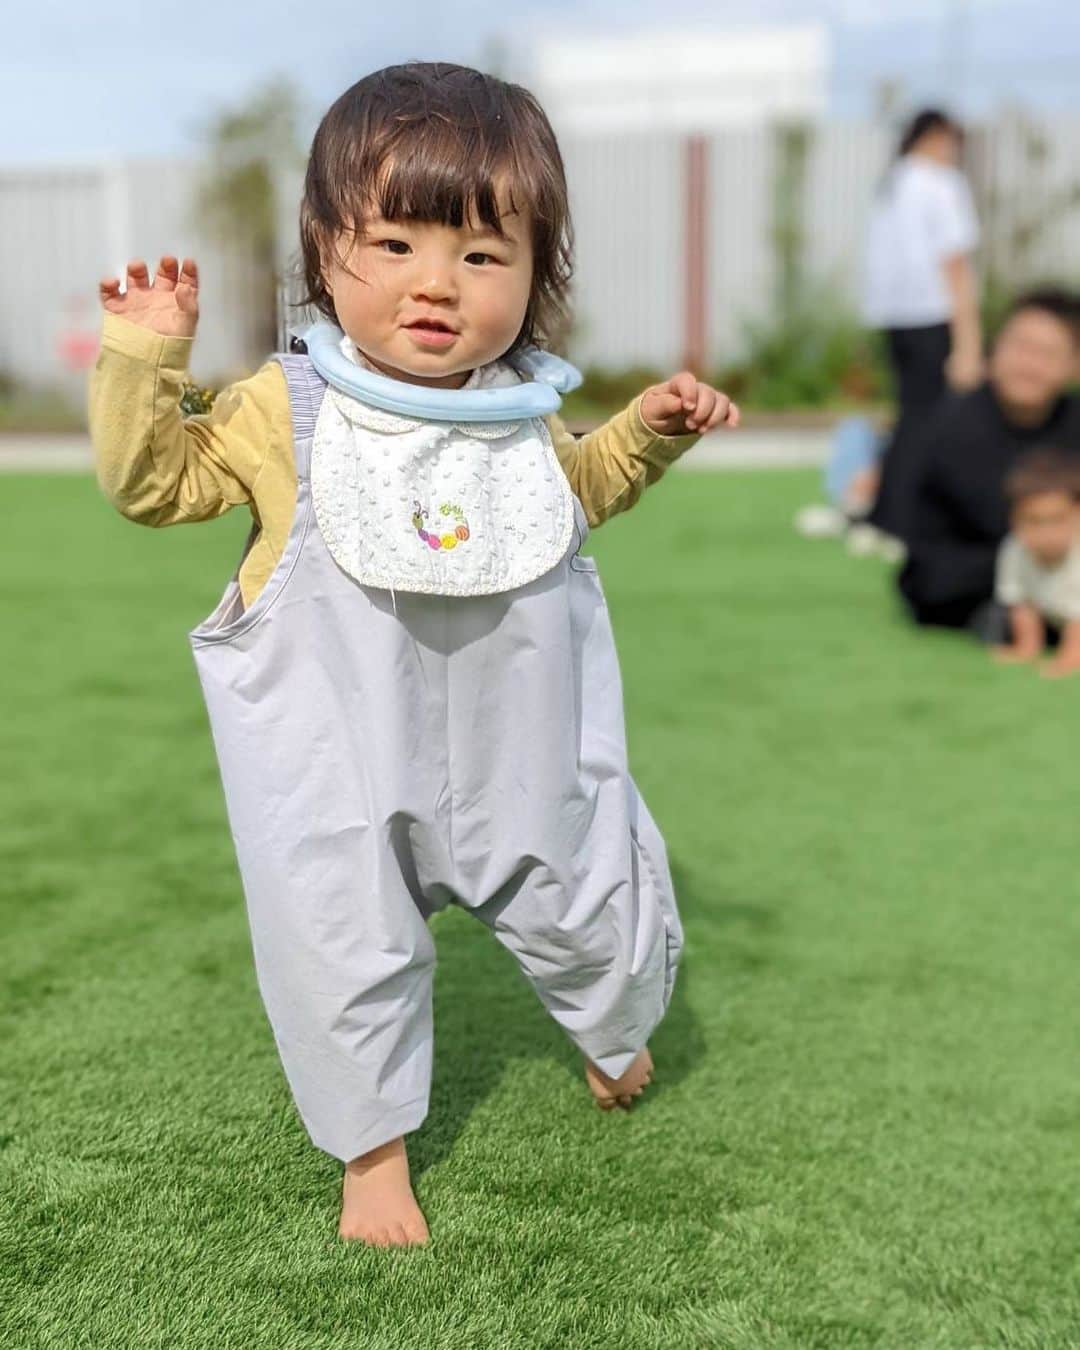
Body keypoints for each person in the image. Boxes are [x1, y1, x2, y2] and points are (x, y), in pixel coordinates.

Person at [89, 63, 739, 1248]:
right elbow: (156, 483)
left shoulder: (520, 413)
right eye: (393, 243)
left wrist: (644, 432)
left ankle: (611, 1024)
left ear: (539, 277)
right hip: (337, 760)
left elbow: (572, 496)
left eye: (485, 257)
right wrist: (145, 365)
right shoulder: (282, 413)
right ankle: (373, 1153)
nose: (436, 283)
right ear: (323, 248)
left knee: (594, 897)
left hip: (519, 747)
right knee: (341, 943)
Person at [899, 289, 1080, 631]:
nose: (1029, 364)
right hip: (966, 577)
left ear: (1074, 365)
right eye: (1020, 346)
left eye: (1046, 353)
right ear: (995, 350)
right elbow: (997, 520)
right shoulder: (952, 426)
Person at [861, 108, 983, 544]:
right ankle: (904, 519)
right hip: (933, 315)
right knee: (931, 421)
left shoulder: (893, 184)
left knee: (910, 416)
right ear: (935, 137)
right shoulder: (940, 183)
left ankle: (884, 514)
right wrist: (969, 344)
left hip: (895, 320)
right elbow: (954, 263)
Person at [993, 450, 1080, 676]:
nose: (1046, 533)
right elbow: (1022, 604)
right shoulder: (1013, 550)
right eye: (1033, 521)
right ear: (1014, 520)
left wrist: (1068, 660)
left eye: (1057, 519)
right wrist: (1027, 648)